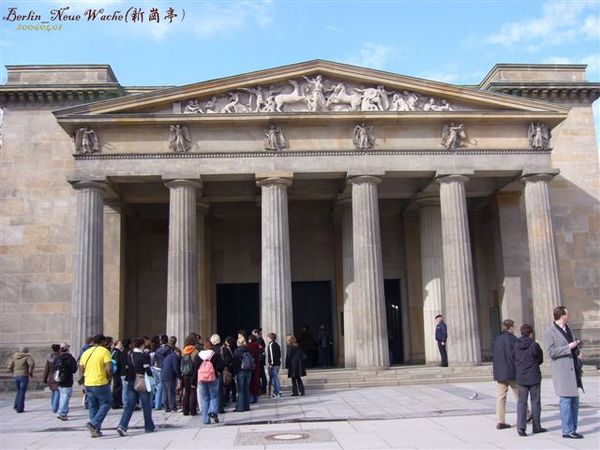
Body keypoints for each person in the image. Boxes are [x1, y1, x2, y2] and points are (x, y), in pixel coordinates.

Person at [545, 306, 585, 439]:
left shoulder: (569, 329)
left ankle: (573, 429)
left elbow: (574, 347)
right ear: (562, 316)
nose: (569, 316)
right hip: (562, 371)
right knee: (566, 400)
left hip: (573, 370)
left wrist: (578, 353)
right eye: (567, 314)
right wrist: (569, 347)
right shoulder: (550, 332)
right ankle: (567, 430)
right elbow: (551, 352)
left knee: (575, 400)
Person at [116, 337, 155, 436]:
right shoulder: (144, 356)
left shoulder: (130, 355)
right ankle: (149, 426)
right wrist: (152, 383)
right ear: (142, 345)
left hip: (131, 381)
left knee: (129, 405)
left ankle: (122, 425)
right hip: (141, 381)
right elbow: (148, 371)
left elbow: (127, 368)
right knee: (146, 405)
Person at [513, 324, 546, 436]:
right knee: (535, 402)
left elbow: (514, 358)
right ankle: (537, 426)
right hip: (534, 376)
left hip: (521, 377)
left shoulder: (515, 345)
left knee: (522, 402)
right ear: (530, 333)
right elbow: (540, 359)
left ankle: (521, 427)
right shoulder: (534, 345)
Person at [79, 334, 113, 438]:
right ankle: (94, 424)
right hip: (101, 382)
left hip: (88, 382)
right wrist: (109, 378)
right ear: (103, 342)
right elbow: (109, 368)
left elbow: (81, 368)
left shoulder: (86, 353)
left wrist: (84, 380)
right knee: (106, 403)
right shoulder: (105, 351)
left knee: (93, 406)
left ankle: (95, 430)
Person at [492, 319, 518, 430]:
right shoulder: (513, 339)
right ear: (511, 327)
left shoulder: (497, 339)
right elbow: (517, 355)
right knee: (520, 395)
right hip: (512, 372)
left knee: (501, 397)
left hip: (500, 372)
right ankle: (526, 414)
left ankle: (500, 421)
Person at [198, 341, 221, 425]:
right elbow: (220, 366)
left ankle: (206, 419)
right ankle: (212, 411)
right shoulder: (215, 355)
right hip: (213, 378)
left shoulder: (199, 356)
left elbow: (195, 368)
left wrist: (193, 381)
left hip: (201, 379)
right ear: (211, 346)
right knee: (214, 396)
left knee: (204, 399)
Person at [54, 342, 78, 421]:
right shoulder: (70, 358)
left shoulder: (57, 358)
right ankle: (62, 413)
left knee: (62, 396)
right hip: (67, 380)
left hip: (59, 380)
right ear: (67, 349)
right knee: (65, 396)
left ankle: (62, 411)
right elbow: (74, 369)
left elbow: (53, 369)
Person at [7, 346, 35, 413]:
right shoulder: (27, 357)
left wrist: (12, 372)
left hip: (16, 375)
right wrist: (30, 372)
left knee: (18, 391)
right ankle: (20, 408)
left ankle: (16, 405)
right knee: (22, 392)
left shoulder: (14, 356)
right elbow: (32, 364)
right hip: (24, 375)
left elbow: (9, 366)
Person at [180, 334, 200, 416]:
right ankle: (193, 411)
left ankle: (185, 410)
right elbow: (196, 365)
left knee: (186, 392)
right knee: (193, 392)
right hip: (192, 374)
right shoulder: (195, 351)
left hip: (185, 374)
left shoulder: (184, 351)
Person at [152, 335, 171, 411]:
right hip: (165, 368)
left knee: (158, 386)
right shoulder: (169, 350)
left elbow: (154, 360)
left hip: (157, 368)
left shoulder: (157, 350)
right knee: (165, 387)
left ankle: (157, 404)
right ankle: (163, 403)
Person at [233, 335, 251, 412]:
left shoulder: (237, 351)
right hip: (248, 371)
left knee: (240, 390)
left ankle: (240, 407)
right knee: (246, 389)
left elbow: (235, 363)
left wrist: (234, 372)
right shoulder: (248, 349)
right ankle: (247, 406)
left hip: (240, 371)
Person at [161, 342, 180, 413]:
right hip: (170, 376)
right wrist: (179, 376)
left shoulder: (166, 356)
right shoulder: (174, 356)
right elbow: (175, 367)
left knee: (165, 391)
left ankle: (166, 407)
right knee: (171, 391)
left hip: (163, 375)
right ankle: (173, 406)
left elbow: (162, 365)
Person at [43, 344, 61, 414]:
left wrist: (44, 378)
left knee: (53, 391)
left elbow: (46, 369)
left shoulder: (49, 357)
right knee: (57, 391)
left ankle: (53, 405)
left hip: (51, 376)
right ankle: (54, 407)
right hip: (57, 375)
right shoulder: (60, 356)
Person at [221, 336, 236, 407]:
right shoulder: (225, 348)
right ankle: (229, 397)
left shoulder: (229, 348)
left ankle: (231, 397)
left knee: (229, 383)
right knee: (228, 383)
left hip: (230, 368)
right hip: (229, 368)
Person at [246, 334, 262, 403]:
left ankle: (251, 398)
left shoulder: (248, 346)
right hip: (257, 365)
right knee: (255, 382)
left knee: (250, 383)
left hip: (250, 366)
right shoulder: (258, 346)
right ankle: (255, 398)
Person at [266, 332, 281, 398]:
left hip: (273, 364)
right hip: (277, 363)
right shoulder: (277, 344)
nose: (267, 339)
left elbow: (272, 355)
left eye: (268, 338)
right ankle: (277, 392)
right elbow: (279, 355)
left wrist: (271, 364)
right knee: (275, 378)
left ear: (270, 338)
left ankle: (277, 392)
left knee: (275, 379)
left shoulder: (271, 345)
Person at [111, 340, 124, 409]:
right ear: (117, 344)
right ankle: (116, 403)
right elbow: (118, 362)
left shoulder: (113, 351)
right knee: (117, 387)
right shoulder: (117, 352)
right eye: (120, 343)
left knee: (116, 387)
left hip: (115, 371)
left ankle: (116, 402)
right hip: (117, 372)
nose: (121, 345)